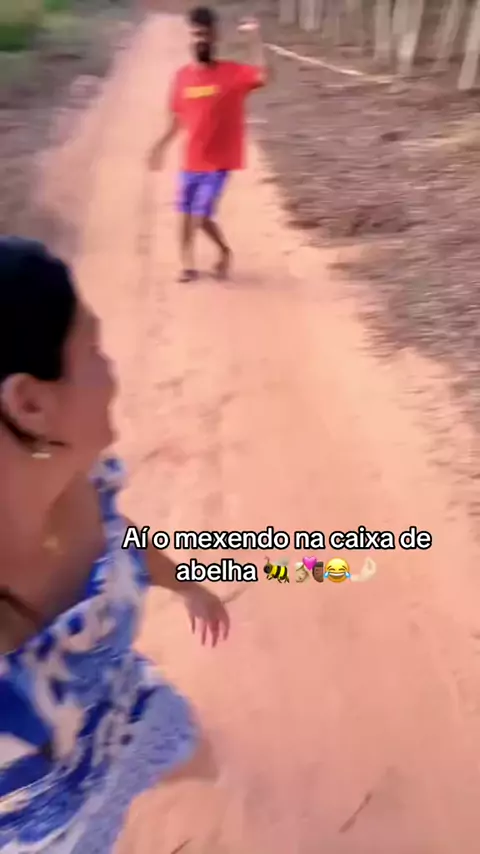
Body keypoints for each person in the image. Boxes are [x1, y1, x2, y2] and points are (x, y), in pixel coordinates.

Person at [0, 236, 230, 853]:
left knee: (191, 749)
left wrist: (190, 586)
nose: (111, 370)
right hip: (46, 824)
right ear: (29, 403)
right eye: (93, 350)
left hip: (126, 709)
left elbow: (121, 541)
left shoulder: (80, 479)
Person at [148, 5, 268, 282]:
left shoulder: (232, 73)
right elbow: (176, 120)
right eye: (195, 34)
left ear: (215, 37)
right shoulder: (182, 77)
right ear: (190, 37)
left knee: (201, 214)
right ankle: (186, 265)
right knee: (184, 212)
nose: (200, 39)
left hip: (218, 163)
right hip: (191, 160)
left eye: (205, 34)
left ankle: (224, 251)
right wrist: (160, 146)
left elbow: (263, 76)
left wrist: (254, 39)